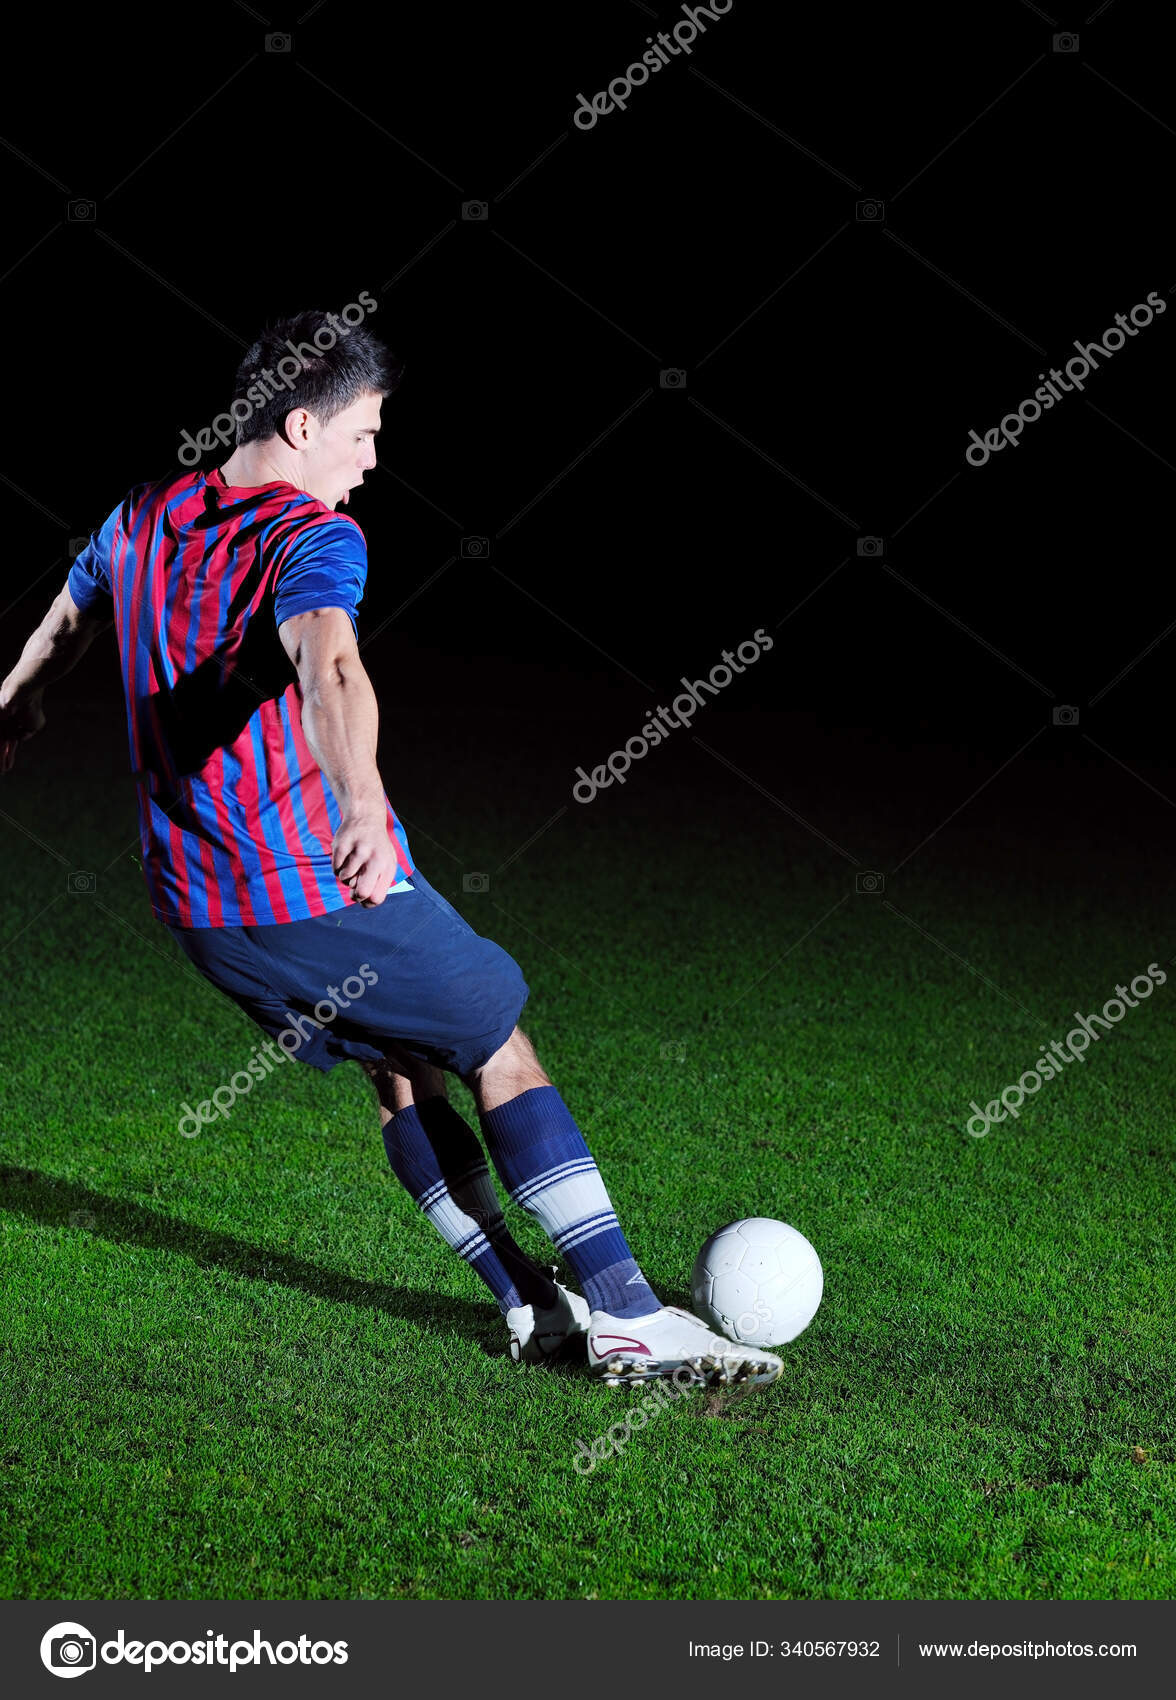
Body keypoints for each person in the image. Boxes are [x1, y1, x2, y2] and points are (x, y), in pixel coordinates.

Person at [0, 308, 782, 1390]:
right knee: (499, 1040)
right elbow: (329, 666)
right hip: (306, 888)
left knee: (400, 1070)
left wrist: (15, 701)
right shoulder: (309, 536)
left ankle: (530, 1303)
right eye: (366, 432)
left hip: (198, 908)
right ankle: (629, 1312)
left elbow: (71, 604)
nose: (374, 459)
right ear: (304, 422)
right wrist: (361, 802)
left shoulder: (148, 510)